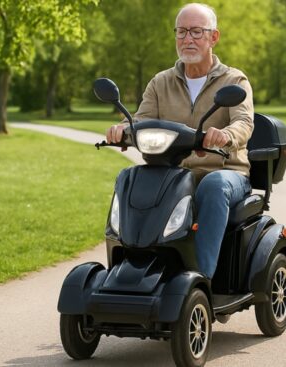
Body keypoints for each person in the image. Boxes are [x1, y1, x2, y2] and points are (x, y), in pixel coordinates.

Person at [106, 3, 254, 279]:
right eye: (182, 32)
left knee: (213, 185)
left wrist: (226, 136)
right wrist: (122, 129)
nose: (188, 39)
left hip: (224, 172)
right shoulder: (160, 82)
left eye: (197, 32)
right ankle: (125, 271)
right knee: (129, 177)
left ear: (214, 37)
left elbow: (244, 123)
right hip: (172, 171)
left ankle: (203, 279)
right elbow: (141, 119)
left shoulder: (234, 80)